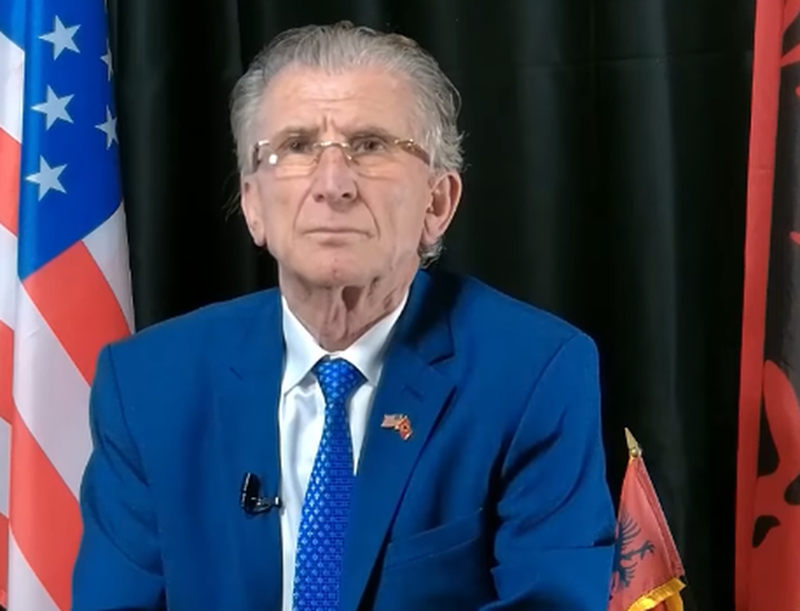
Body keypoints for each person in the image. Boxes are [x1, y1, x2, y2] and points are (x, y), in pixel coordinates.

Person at [71, 21, 616, 611]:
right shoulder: (147, 384)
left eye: (371, 145)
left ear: (437, 203)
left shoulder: (534, 374)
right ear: (253, 206)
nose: (333, 185)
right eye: (297, 146)